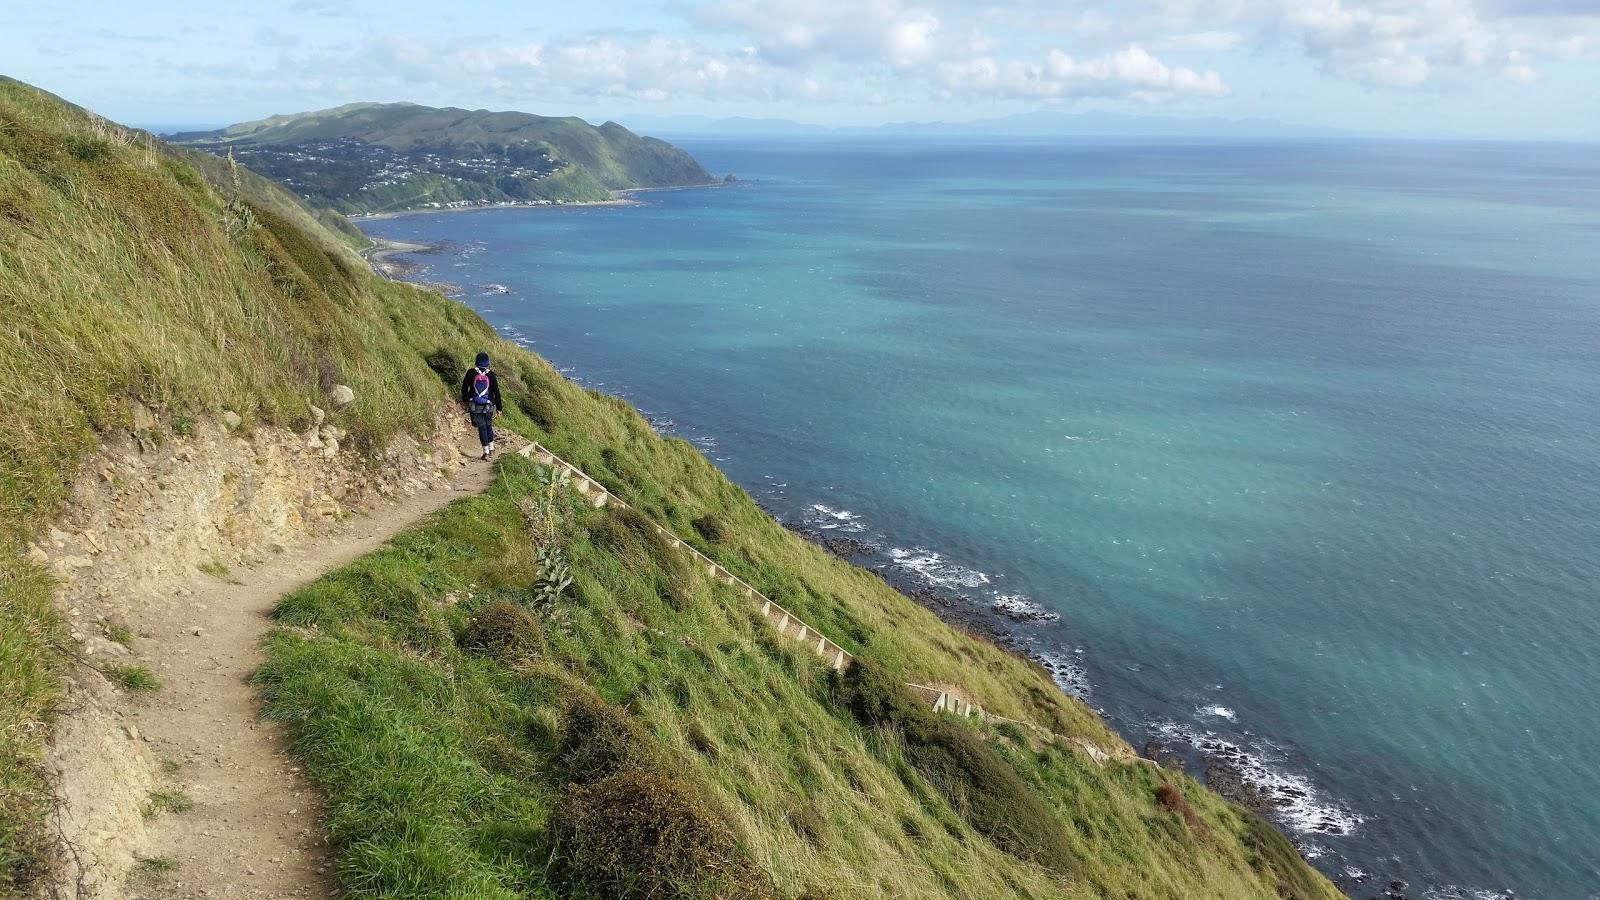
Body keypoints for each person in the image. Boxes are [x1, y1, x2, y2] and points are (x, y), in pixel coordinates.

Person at [460, 351, 503, 460]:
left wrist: (465, 400)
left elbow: (464, 387)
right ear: (487, 362)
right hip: (489, 405)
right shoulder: (491, 375)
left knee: (481, 427)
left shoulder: (471, 373)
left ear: (476, 361)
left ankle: (486, 453)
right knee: (488, 425)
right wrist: (499, 408)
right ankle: (492, 449)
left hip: (475, 405)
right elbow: (496, 392)